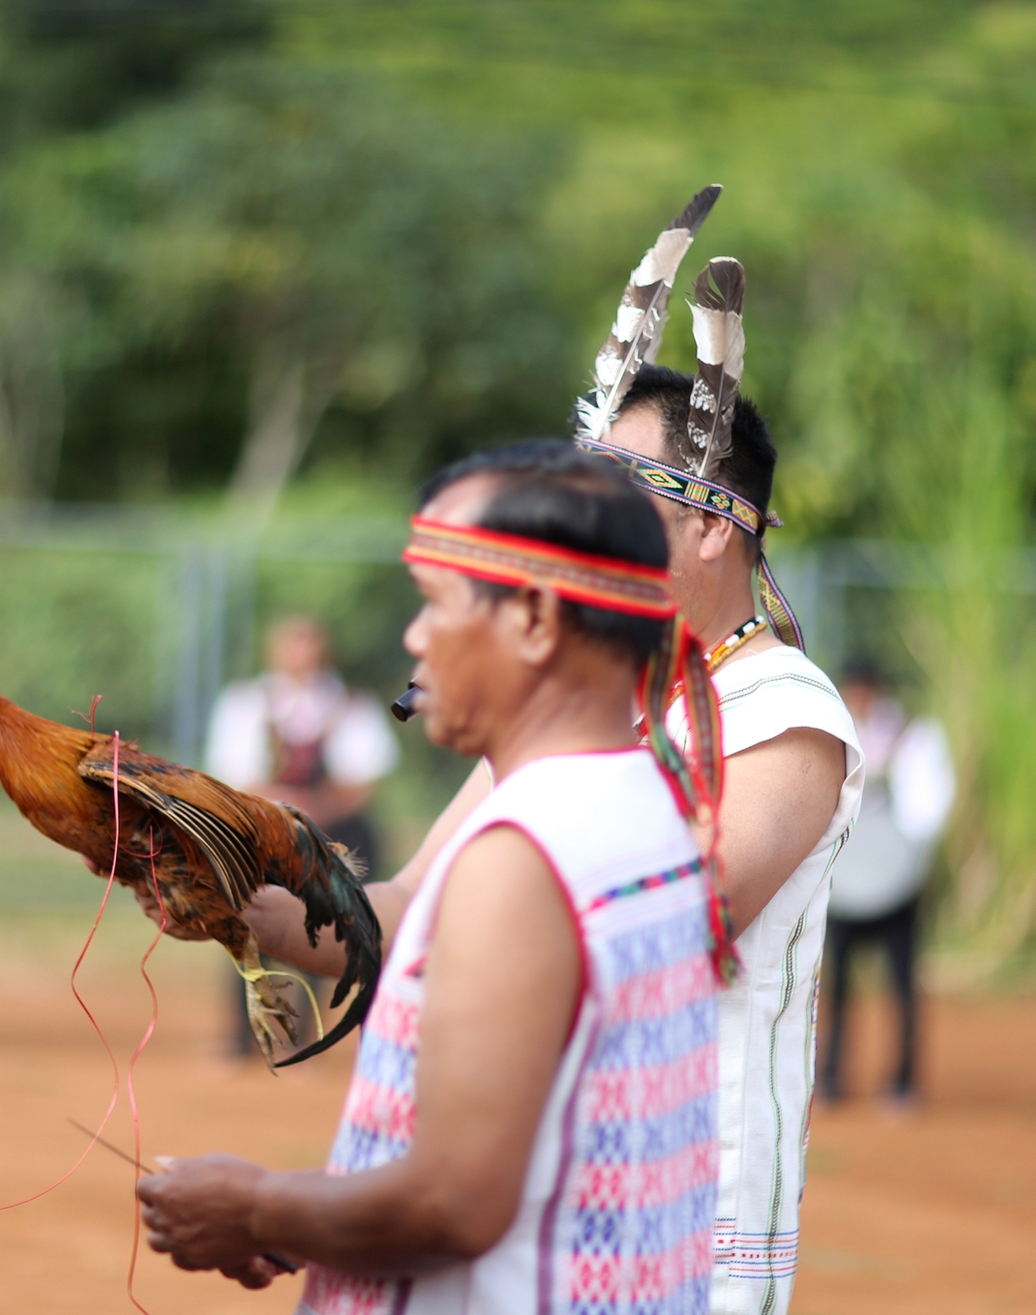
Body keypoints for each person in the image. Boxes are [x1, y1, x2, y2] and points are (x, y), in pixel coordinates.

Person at [218, 210, 859, 1314]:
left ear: (713, 524)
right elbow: (404, 905)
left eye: (613, 495)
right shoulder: (578, 701)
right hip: (524, 1193)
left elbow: (659, 920)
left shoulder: (784, 709)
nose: (579, 526)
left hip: (680, 1219)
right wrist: (234, 889)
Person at [138, 443, 731, 1311]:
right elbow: (404, 912)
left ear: (532, 619)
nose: (414, 637)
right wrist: (233, 903)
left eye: (435, 602)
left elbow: (453, 1201)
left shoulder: (524, 856)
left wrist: (255, 1206)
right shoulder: (650, 795)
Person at [205, 614, 399, 1057]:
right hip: (264, 832)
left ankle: (306, 1033)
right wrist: (280, 806)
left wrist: (313, 809)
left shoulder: (351, 705)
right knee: (246, 921)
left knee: (325, 925)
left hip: (329, 833)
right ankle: (245, 1035)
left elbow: (362, 781)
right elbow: (234, 775)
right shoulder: (246, 703)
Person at [817, 657, 955, 1115]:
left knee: (901, 982)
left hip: (896, 884)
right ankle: (833, 1074)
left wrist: (907, 862)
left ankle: (903, 1079)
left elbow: (928, 808)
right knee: (836, 983)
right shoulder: (833, 734)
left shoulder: (912, 736)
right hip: (844, 882)